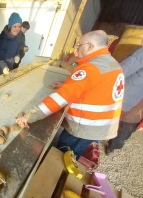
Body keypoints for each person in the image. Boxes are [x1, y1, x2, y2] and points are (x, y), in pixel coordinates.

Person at [16, 30, 125, 159]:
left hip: (85, 128)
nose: (75, 51)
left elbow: (59, 98)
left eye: (79, 46)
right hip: (101, 125)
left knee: (64, 156)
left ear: (90, 46)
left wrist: (29, 116)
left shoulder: (90, 68)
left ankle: (53, 174)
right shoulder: (111, 63)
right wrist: (67, 84)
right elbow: (96, 86)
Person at [105, 47, 143, 155]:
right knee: (111, 120)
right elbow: (123, 69)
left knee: (124, 130)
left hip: (137, 106)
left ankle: (112, 146)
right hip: (127, 95)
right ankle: (96, 140)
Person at [0, 12, 22, 78]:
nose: (17, 29)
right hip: (0, 70)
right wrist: (4, 67)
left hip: (10, 67)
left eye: (19, 26)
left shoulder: (16, 38)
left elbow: (16, 50)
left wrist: (17, 55)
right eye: (15, 26)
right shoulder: (3, 41)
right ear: (10, 26)